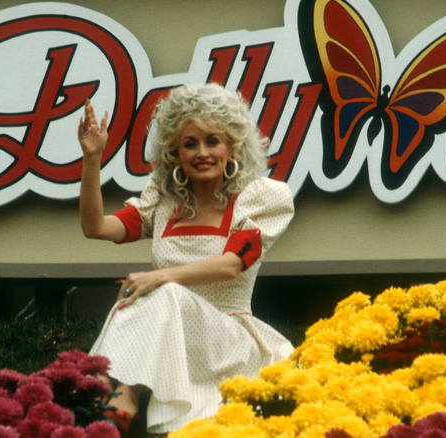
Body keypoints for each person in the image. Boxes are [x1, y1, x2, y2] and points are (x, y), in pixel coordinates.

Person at [77, 83, 295, 434]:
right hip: (171, 336)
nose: (202, 153)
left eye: (213, 141)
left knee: (160, 292)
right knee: (152, 297)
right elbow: (96, 227)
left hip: (231, 339)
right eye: (189, 144)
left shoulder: (260, 198)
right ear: (174, 154)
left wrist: (159, 277)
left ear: (232, 146)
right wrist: (91, 160)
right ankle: (111, 409)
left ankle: (118, 399)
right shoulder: (162, 202)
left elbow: (230, 266)